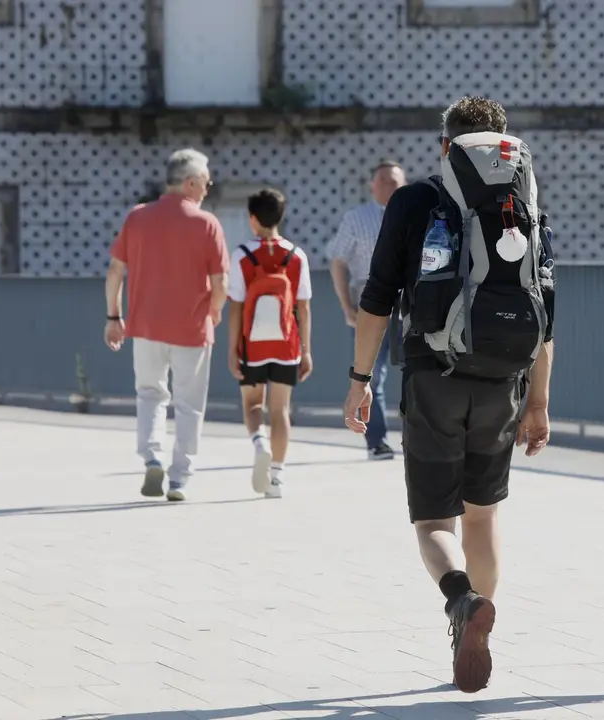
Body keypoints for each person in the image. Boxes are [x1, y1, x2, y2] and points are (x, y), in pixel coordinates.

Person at [342, 95, 555, 694]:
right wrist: (538, 403)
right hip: (503, 380)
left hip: (432, 375)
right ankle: (480, 619)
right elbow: (548, 314)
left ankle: (461, 602)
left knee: (436, 519)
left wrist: (360, 383)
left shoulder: (414, 199)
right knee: (483, 518)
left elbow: (378, 296)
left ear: (446, 146)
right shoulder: (525, 204)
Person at [105, 148, 230, 502]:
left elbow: (115, 271)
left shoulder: (137, 217)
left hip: (144, 326)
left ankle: (152, 456)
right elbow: (220, 283)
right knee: (189, 404)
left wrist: (114, 317)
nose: (208, 186)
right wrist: (215, 311)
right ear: (190, 182)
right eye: (205, 180)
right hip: (192, 329)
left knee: (150, 394)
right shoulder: (207, 223)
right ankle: (179, 480)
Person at [226, 188, 313, 499]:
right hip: (286, 344)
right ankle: (277, 478)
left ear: (252, 219)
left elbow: (235, 306)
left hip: (253, 345)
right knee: (281, 410)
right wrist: (306, 351)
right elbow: (303, 307)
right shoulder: (296, 256)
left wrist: (233, 350)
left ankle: (259, 443)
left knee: (252, 405)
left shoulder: (242, 256)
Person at [326, 160, 408, 461]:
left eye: (396, 181)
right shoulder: (356, 218)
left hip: (413, 305)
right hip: (372, 306)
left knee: (422, 375)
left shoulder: (416, 215)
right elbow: (337, 260)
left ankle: (418, 439)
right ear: (372, 185)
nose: (390, 186)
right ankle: (377, 441)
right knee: (371, 376)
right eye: (384, 181)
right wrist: (346, 305)